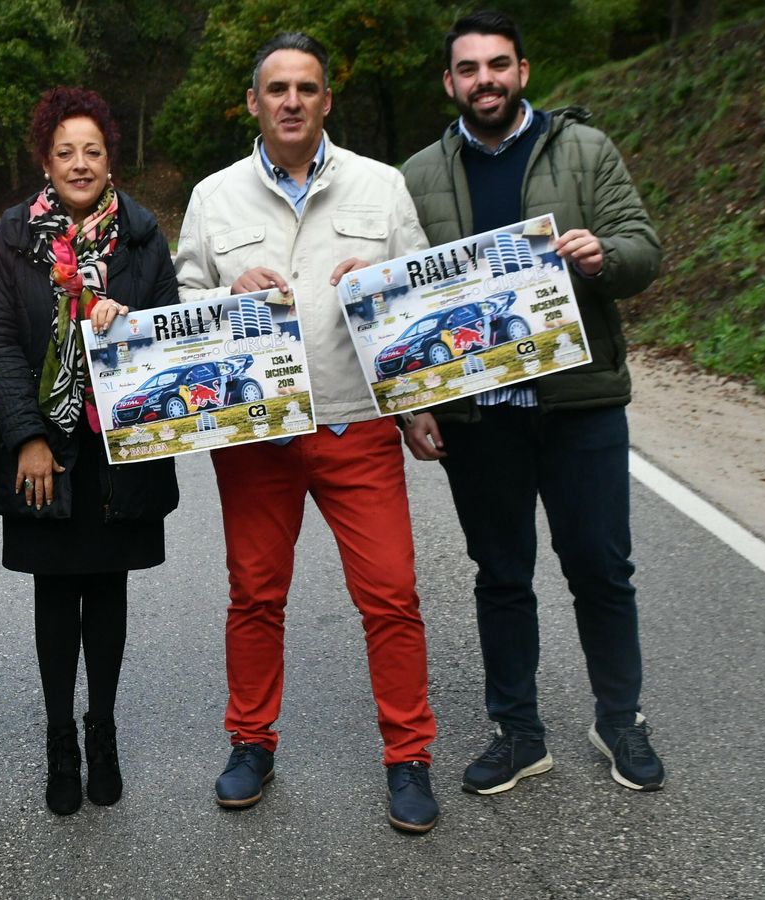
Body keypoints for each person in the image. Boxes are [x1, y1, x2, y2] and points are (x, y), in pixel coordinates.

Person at [174, 33, 441, 833]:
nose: (292, 100)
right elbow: (184, 300)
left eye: (308, 88)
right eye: (277, 88)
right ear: (254, 103)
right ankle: (250, 742)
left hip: (356, 423)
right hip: (255, 432)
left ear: (327, 101)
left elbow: (418, 298)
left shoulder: (382, 186)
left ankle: (409, 755)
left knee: (390, 594)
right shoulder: (214, 195)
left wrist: (415, 393)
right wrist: (227, 287)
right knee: (255, 594)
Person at [401, 10, 666, 795]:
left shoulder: (583, 148)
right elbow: (404, 312)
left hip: (578, 403)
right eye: (469, 68)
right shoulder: (414, 176)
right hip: (480, 416)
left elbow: (643, 249)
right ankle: (518, 731)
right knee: (501, 573)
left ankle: (621, 718)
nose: (485, 79)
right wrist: (415, 402)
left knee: (601, 567)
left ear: (523, 71)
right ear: (449, 82)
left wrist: (602, 254)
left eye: (499, 65)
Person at [0, 87, 180, 816]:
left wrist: (131, 327)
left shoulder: (143, 235)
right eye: (65, 151)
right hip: (46, 447)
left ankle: (104, 729)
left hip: (118, 448)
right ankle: (59, 734)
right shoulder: (10, 238)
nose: (80, 162)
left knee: (110, 588)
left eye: (92, 150)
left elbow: (171, 335)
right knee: (55, 592)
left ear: (109, 158)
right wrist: (26, 435)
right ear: (45, 159)